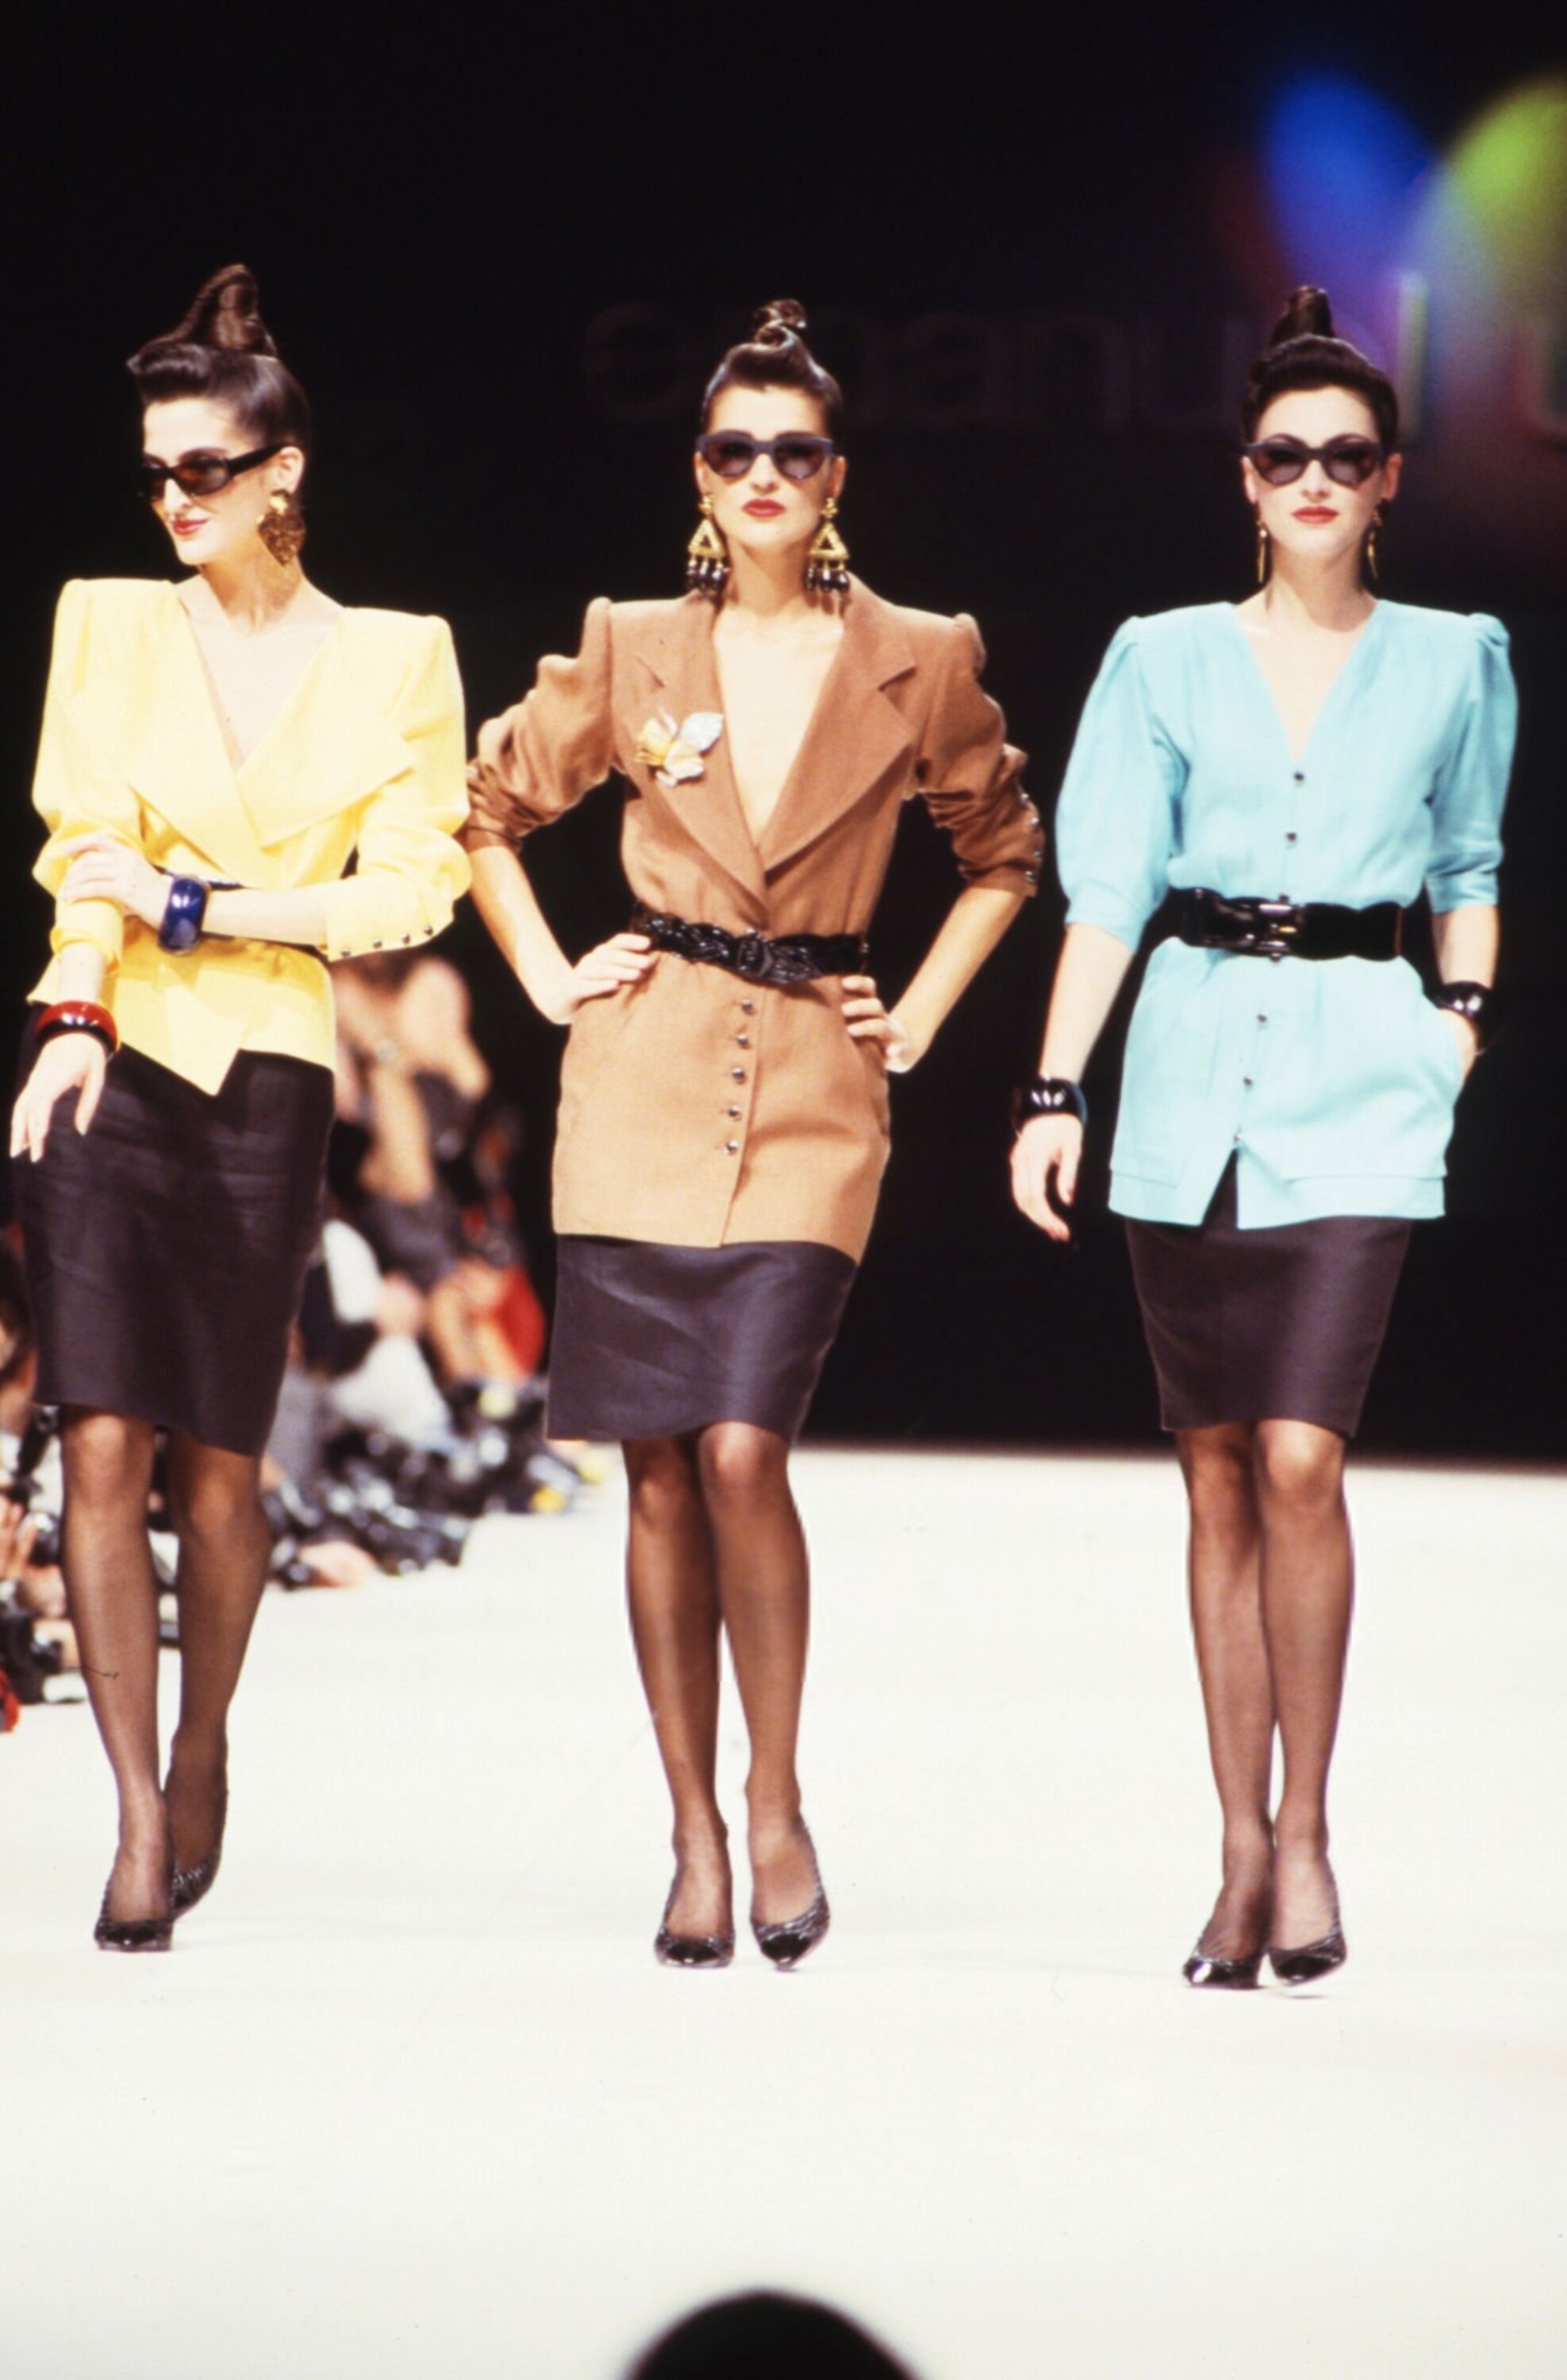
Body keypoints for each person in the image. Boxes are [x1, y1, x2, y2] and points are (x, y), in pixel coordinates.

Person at [465, 301, 1042, 1968]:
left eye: (796, 449)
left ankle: (775, 1800)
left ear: (836, 475)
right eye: (737, 448)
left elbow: (1003, 850)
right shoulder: (632, 641)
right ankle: (693, 1836)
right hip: (639, 1082)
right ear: (701, 474)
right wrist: (549, 976)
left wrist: (917, 1015)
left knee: (739, 1448)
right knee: (656, 1469)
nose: (766, 473)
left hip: (810, 1092)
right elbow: (484, 811)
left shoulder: (918, 653)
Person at [1012, 286, 1515, 1988]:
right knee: (1215, 1464)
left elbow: (1469, 864)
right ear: (1244, 476)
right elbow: (1104, 895)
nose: (1314, 477)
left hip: (1363, 1079)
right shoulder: (1159, 656)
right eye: (1285, 453)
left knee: (1302, 1455)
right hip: (1186, 1078)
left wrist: (1455, 1026)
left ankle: (1309, 1834)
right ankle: (1237, 1847)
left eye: (1345, 456)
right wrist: (1054, 1092)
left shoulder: (1456, 658)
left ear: (1389, 481)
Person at [10, 264, 470, 1948]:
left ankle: (203, 1741)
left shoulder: (396, 658)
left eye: (204, 469)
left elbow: (410, 891)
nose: (173, 500)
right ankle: (135, 1819)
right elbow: (83, 846)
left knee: (221, 1460)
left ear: (285, 474)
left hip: (269, 1064)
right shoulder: (107, 621)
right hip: (109, 1049)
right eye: (155, 472)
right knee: (98, 1433)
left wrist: (206, 905)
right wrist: (74, 1004)